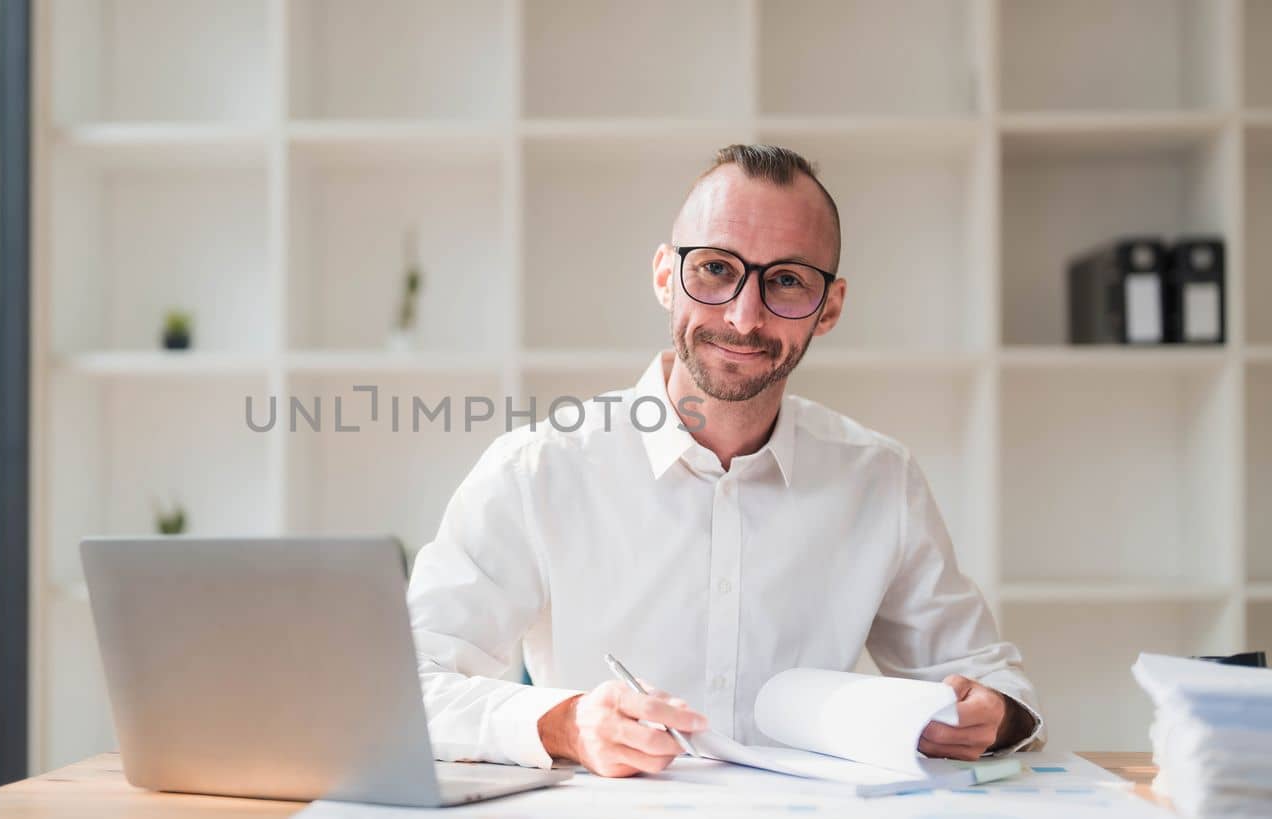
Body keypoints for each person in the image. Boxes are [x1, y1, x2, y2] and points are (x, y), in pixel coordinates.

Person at [405, 144, 1043, 778]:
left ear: (831, 307)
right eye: (715, 269)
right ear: (664, 277)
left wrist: (995, 714)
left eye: (788, 280)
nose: (744, 316)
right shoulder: (536, 470)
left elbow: (990, 681)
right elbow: (411, 688)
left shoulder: (879, 480)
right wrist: (566, 725)